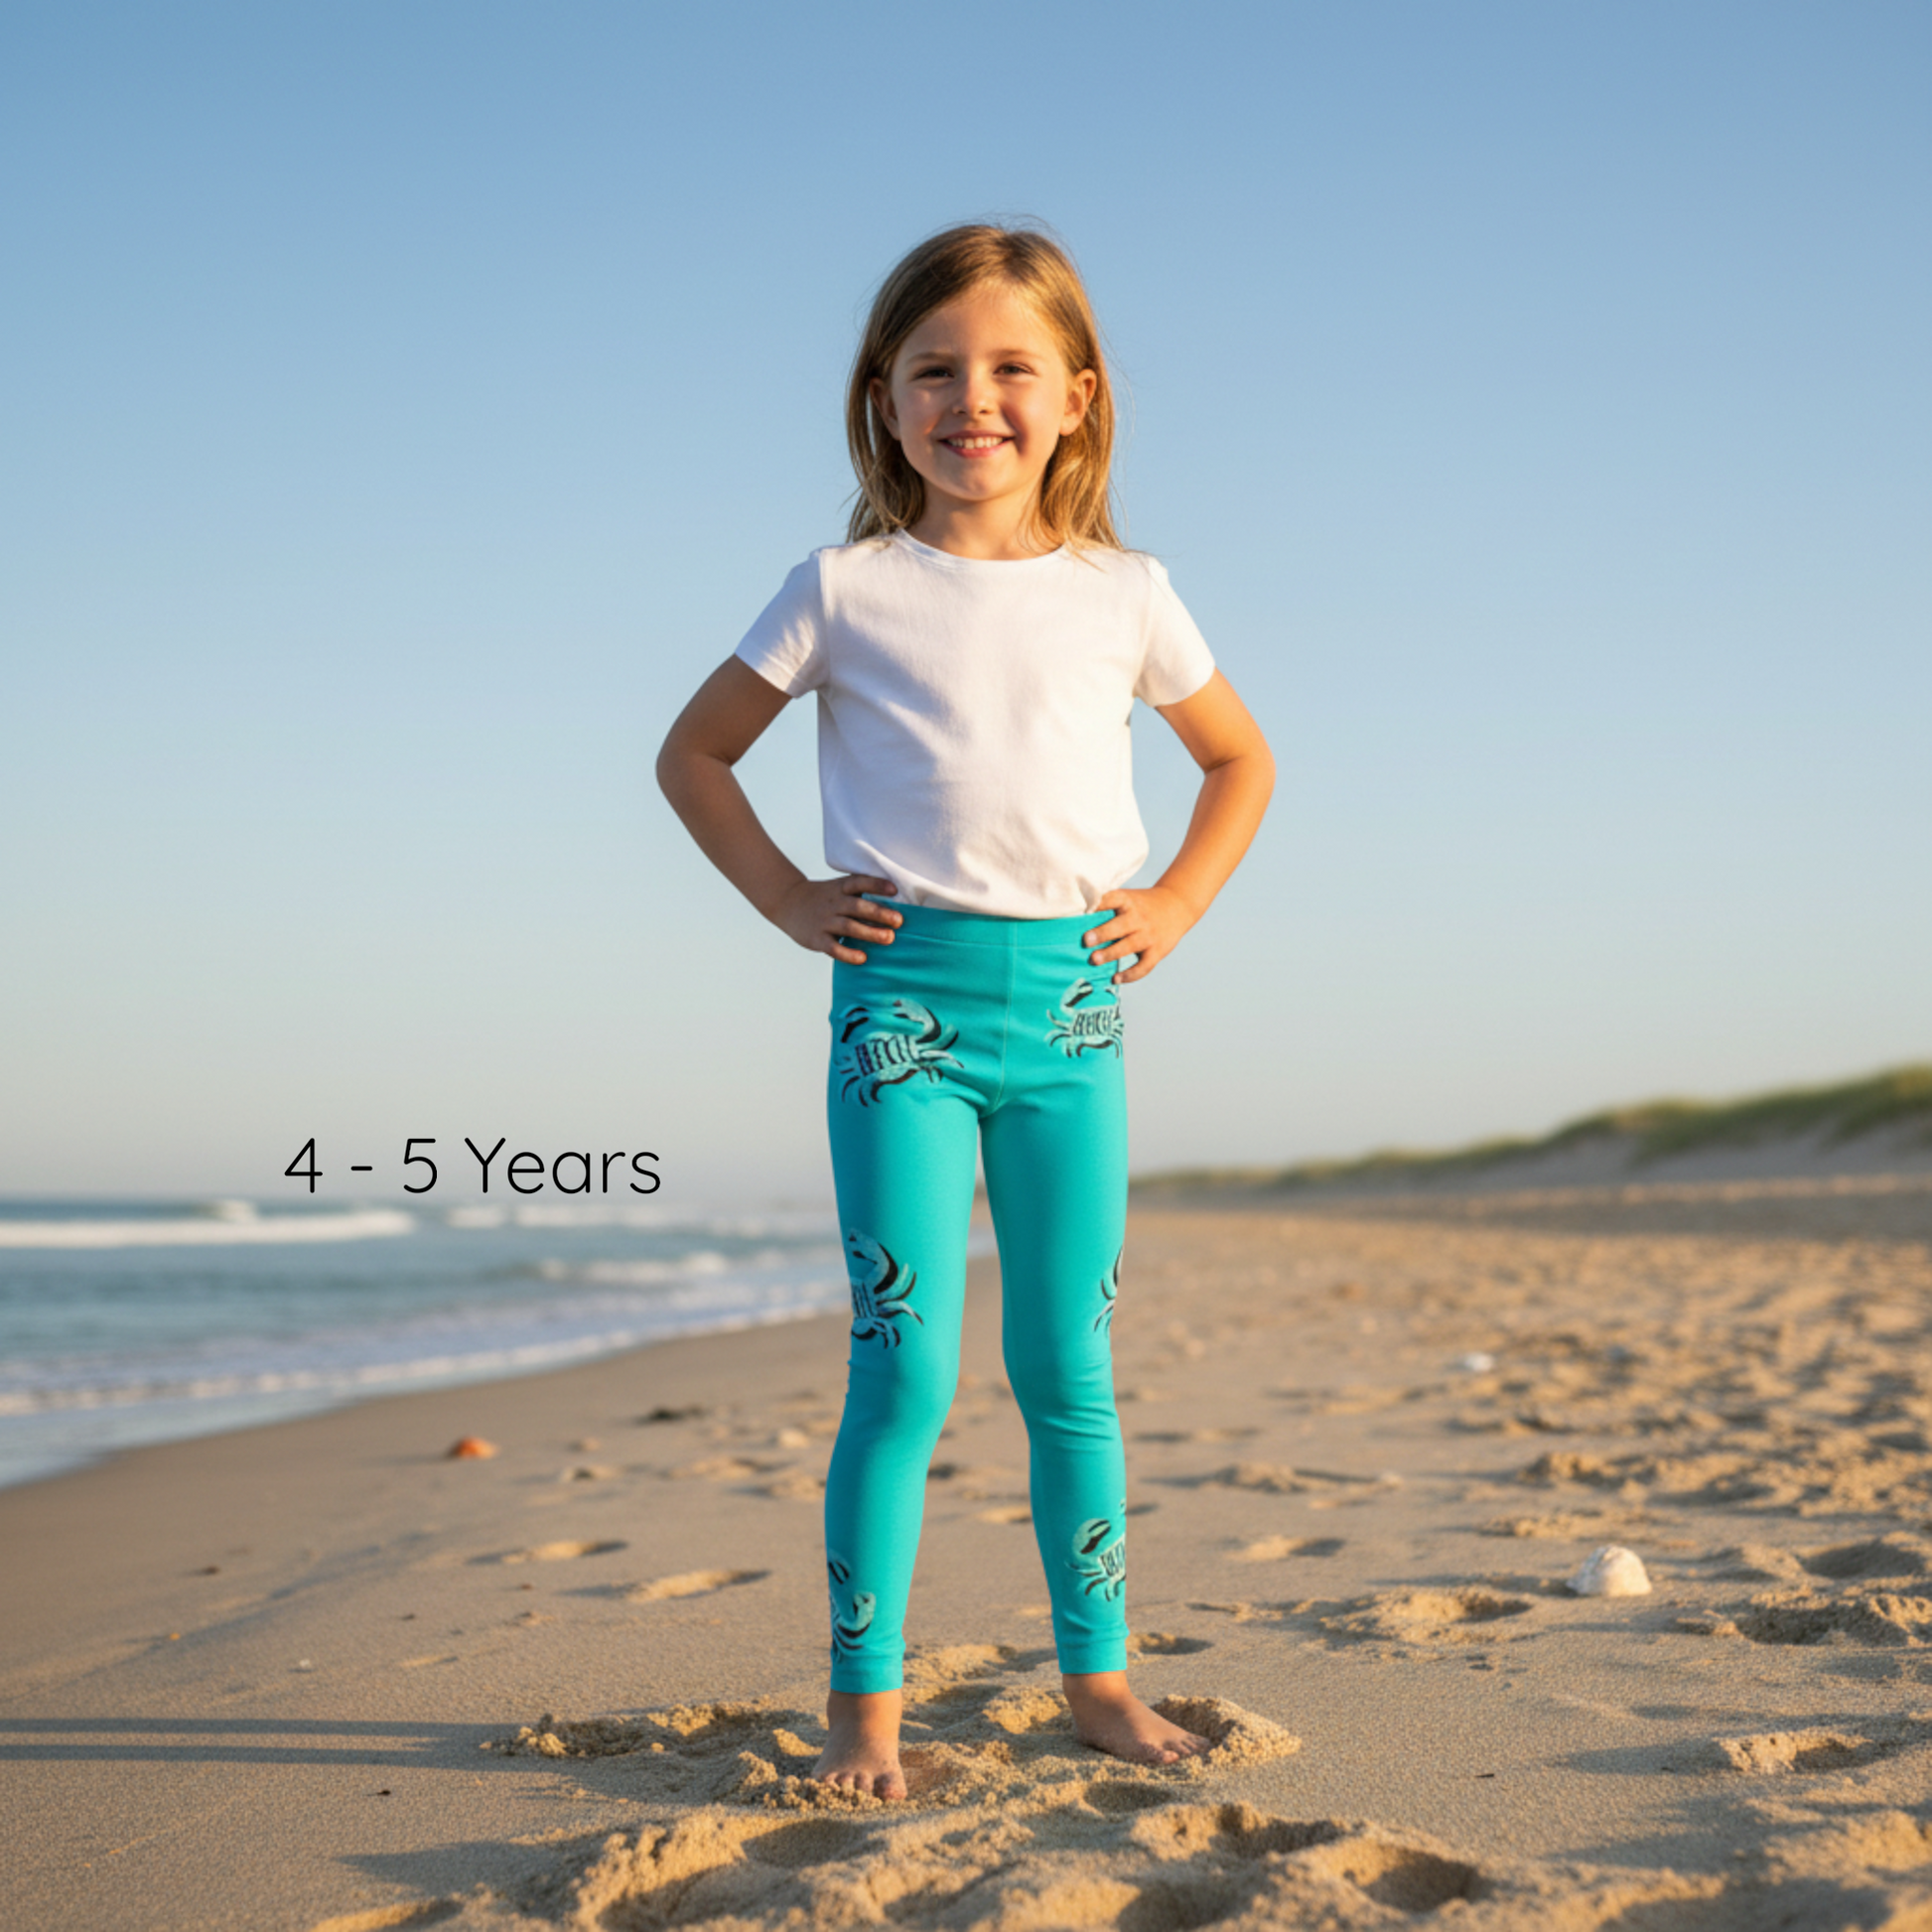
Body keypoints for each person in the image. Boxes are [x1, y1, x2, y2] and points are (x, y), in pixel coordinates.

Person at [656, 224, 1275, 1799]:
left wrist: (1181, 903)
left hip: (1072, 1019)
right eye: (934, 370)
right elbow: (693, 754)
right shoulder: (843, 587)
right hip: (898, 1019)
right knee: (903, 1366)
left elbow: (1238, 760)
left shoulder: (1127, 595)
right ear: (882, 400)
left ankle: (1098, 1678)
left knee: (1066, 1362)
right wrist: (789, 898)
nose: (972, 400)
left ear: (1079, 397)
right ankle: (863, 1704)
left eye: (1010, 369)